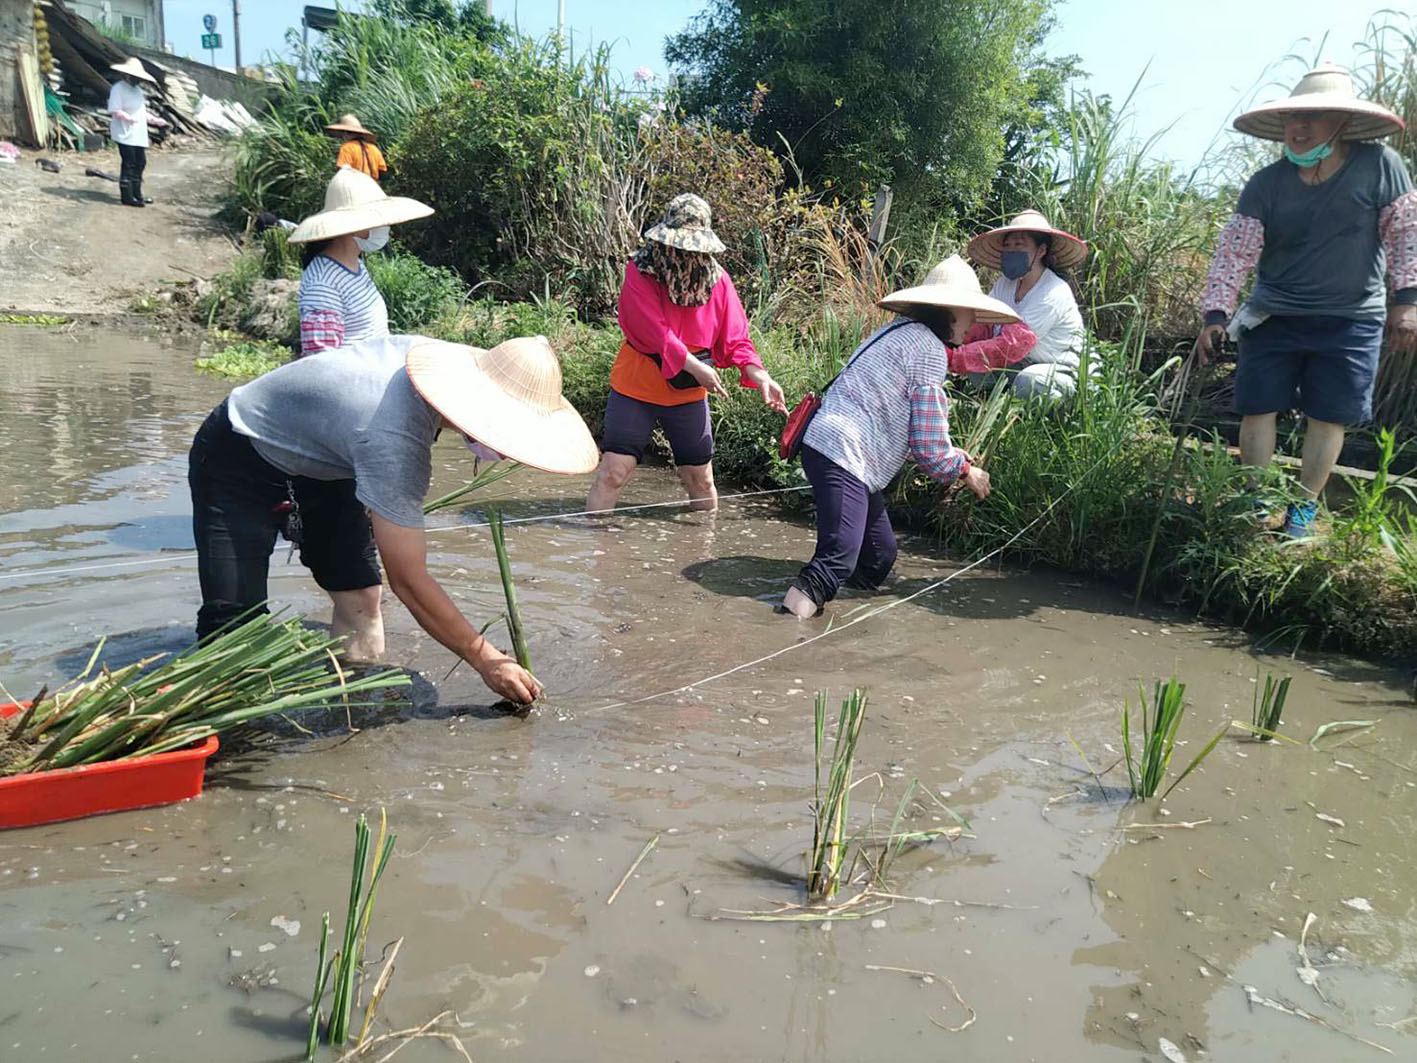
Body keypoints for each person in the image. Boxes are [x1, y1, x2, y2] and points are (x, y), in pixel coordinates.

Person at [188, 333, 601, 705]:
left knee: (361, 597)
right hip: (239, 452)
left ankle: (350, 704)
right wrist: (486, 659)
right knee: (235, 628)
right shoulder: (391, 439)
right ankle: (229, 739)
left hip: (332, 460)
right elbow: (409, 579)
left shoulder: (446, 366)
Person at [1194, 63, 1417, 537]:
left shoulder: (1380, 166)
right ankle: (1254, 504)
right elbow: (1233, 254)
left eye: (1312, 118)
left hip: (1351, 317)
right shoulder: (1266, 184)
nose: (1299, 128)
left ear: (1340, 123)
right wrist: (1216, 315)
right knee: (1258, 408)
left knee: (1329, 415)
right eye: (1294, 119)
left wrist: (1407, 301)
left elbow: (1406, 235)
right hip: (1274, 315)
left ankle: (1302, 510)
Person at [779, 257, 1014, 618]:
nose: (973, 325)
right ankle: (787, 632)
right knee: (838, 556)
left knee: (878, 556)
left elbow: (908, 425)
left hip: (841, 449)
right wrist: (968, 472)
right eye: (970, 314)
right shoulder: (930, 351)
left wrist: (952, 454)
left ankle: (833, 620)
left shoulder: (899, 330)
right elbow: (927, 450)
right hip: (843, 451)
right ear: (950, 311)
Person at [586, 193, 786, 513]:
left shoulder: (717, 280)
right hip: (637, 387)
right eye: (679, 245)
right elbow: (656, 333)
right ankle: (599, 555)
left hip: (687, 394)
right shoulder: (640, 271)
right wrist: (696, 368)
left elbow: (736, 339)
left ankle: (701, 554)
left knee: (701, 480)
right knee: (613, 473)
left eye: (693, 247)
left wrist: (760, 374)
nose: (685, 253)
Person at [287, 167, 433, 357]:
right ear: (353, 226)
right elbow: (321, 366)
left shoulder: (356, 265)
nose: (384, 226)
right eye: (376, 219)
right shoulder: (322, 283)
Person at [964, 210, 1089, 399]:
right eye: (1008, 245)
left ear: (1041, 251)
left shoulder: (1053, 291)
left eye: (1019, 244)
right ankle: (992, 405)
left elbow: (1014, 344)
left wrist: (957, 357)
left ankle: (1034, 421)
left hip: (1057, 371)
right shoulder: (1004, 284)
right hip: (1016, 363)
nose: (1011, 250)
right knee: (976, 367)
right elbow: (984, 321)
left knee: (1028, 381)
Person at [107, 57, 164, 208]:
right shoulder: (118, 88)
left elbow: (140, 112)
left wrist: (154, 120)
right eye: (135, 77)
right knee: (129, 163)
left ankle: (137, 194)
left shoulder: (138, 90)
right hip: (124, 132)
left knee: (141, 162)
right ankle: (127, 196)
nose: (138, 80)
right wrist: (126, 117)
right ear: (127, 75)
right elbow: (114, 109)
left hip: (138, 133)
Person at [326, 114, 388, 181]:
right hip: (373, 186)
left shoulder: (347, 148)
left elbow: (342, 171)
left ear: (346, 133)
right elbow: (382, 172)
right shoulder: (374, 148)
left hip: (354, 185)